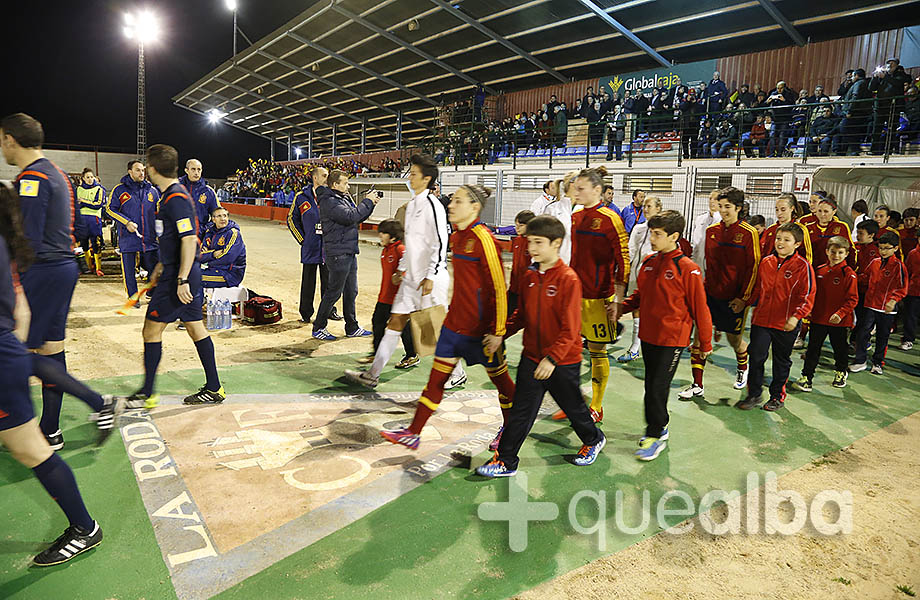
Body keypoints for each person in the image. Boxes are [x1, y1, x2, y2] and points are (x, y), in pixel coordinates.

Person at [0, 187, 105, 566]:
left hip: (3, 357)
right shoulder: (9, 247)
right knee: (46, 357)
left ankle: (84, 527)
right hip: (7, 352)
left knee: (31, 449)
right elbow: (22, 311)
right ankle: (96, 405)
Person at [0, 113, 118, 450]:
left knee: (14, 350)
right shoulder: (59, 174)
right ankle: (51, 428)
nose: (1, 148)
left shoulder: (32, 178)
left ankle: (96, 403)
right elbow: (77, 224)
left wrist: (11, 280)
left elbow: (29, 240)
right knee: (50, 350)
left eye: (1, 140)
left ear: (11, 139)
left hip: (42, 270)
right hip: (62, 268)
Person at [379, 185, 515, 451]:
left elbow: (499, 288)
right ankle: (413, 432)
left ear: (474, 207)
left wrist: (498, 331)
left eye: (458, 201)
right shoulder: (457, 238)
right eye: (451, 200)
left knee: (503, 384)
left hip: (483, 331)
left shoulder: (485, 239)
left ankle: (511, 429)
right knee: (436, 380)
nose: (451, 205)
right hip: (455, 325)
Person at [475, 215, 606, 477]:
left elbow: (571, 329)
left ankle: (593, 439)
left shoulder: (568, 279)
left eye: (538, 243)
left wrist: (552, 359)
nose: (532, 248)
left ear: (556, 243)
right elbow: (522, 315)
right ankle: (506, 461)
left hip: (562, 362)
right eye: (529, 242)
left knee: (574, 409)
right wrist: (501, 334)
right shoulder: (530, 276)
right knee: (521, 411)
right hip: (532, 357)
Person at [344, 154, 465, 389]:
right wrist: (401, 269)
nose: (409, 177)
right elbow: (412, 244)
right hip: (410, 280)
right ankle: (373, 374)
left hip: (430, 279)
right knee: (395, 322)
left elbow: (441, 242)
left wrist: (430, 275)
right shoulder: (412, 206)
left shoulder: (433, 206)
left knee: (434, 331)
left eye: (413, 174)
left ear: (426, 179)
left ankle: (457, 372)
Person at [122, 144, 225, 408]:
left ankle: (148, 393)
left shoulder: (175, 198)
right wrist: (161, 265)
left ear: (153, 169)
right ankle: (214, 388)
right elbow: (175, 239)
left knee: (151, 330)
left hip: (179, 279)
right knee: (194, 327)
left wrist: (180, 279)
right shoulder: (170, 195)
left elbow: (190, 240)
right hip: (178, 273)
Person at [618, 210, 712, 460]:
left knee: (657, 387)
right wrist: (619, 308)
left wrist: (704, 342)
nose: (652, 238)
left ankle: (656, 434)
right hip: (649, 336)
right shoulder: (649, 263)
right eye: (651, 233)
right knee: (651, 385)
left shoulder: (687, 269)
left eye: (658, 234)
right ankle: (661, 425)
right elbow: (640, 296)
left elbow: (700, 308)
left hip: (673, 339)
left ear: (674, 236)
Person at [553, 166, 629, 423]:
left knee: (597, 351)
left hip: (600, 297)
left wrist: (618, 299)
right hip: (574, 295)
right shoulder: (575, 216)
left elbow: (623, 259)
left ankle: (596, 406)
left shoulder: (610, 218)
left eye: (581, 188)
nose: (577, 191)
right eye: (576, 187)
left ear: (597, 190)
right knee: (568, 352)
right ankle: (574, 402)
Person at [680, 187, 760, 399]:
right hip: (710, 295)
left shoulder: (749, 233)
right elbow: (708, 264)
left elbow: (753, 268)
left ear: (738, 208)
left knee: (734, 341)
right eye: (721, 206)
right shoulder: (711, 231)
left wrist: (744, 299)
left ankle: (743, 368)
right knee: (698, 339)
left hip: (734, 300)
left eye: (728, 207)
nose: (723, 210)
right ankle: (697, 384)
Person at [738, 223, 815, 411]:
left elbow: (807, 296)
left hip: (785, 324)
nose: (780, 243)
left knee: (781, 360)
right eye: (779, 238)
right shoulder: (766, 262)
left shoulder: (803, 267)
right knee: (756, 356)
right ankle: (754, 394)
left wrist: (796, 317)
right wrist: (744, 301)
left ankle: (777, 396)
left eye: (786, 240)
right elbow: (757, 289)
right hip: (762, 320)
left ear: (797, 244)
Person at [311, 169, 378, 340]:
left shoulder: (341, 198)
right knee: (334, 292)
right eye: (345, 183)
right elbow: (350, 216)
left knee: (351, 290)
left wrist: (371, 204)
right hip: (338, 253)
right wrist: (367, 202)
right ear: (335, 185)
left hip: (348, 251)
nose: (348, 186)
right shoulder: (329, 201)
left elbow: (357, 217)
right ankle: (319, 327)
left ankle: (352, 326)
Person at [792, 236, 858, 392]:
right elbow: (812, 293)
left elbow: (853, 299)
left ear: (846, 254)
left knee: (840, 349)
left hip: (839, 322)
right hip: (819, 319)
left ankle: (841, 372)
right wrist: (809, 312)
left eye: (840, 252)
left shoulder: (849, 274)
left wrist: (840, 314)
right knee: (813, 350)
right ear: (827, 251)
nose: (836, 256)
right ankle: (807, 377)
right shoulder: (819, 270)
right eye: (833, 252)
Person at [287, 167, 342, 323]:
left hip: (329, 247)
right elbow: (291, 219)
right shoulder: (301, 197)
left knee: (330, 282)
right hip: (310, 247)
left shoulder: (333, 195)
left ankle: (330, 310)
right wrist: (303, 240)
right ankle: (306, 313)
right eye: (324, 175)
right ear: (315, 178)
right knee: (308, 282)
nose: (327, 178)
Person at [361, 219, 418, 369]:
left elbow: (409, 269)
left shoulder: (400, 249)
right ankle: (377, 353)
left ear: (392, 236)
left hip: (399, 299)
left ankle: (412, 355)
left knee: (404, 328)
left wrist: (401, 276)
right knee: (377, 322)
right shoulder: (385, 250)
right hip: (384, 297)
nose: (380, 235)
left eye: (383, 233)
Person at [850, 232, 907, 374]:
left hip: (886, 308)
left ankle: (878, 362)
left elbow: (902, 287)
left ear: (895, 248)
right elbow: (864, 278)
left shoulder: (898, 266)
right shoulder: (875, 262)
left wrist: (893, 301)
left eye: (887, 248)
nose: (883, 251)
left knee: (883, 335)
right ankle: (860, 360)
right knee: (863, 333)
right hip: (870, 305)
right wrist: (851, 278)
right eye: (881, 248)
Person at [106, 159, 160, 300]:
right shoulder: (119, 190)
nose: (142, 173)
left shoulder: (153, 191)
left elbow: (159, 213)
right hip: (128, 237)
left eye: (143, 170)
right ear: (130, 172)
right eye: (138, 170)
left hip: (149, 237)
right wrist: (126, 222)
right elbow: (110, 210)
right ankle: (133, 297)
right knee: (129, 271)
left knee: (154, 268)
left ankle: (151, 292)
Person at [619, 194, 662, 362]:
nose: (645, 209)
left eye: (649, 206)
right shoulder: (638, 228)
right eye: (644, 206)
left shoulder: (663, 230)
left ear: (658, 208)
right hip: (637, 279)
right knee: (637, 310)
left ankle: (656, 348)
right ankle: (635, 348)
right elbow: (630, 252)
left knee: (653, 315)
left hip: (655, 281)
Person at [199, 207, 246, 288]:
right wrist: (213, 254)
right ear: (213, 219)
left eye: (225, 216)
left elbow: (228, 257)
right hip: (213, 269)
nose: (223, 219)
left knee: (193, 278)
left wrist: (207, 261)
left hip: (229, 274)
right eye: (219, 216)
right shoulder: (209, 233)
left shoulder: (233, 233)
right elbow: (200, 255)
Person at [759, 193, 812, 263]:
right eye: (777, 210)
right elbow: (764, 253)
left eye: (783, 210)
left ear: (792, 209)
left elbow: (807, 256)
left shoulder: (801, 229)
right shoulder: (770, 229)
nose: (779, 213)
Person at [178, 158, 220, 237]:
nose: (196, 173)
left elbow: (217, 215)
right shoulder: (176, 188)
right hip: (176, 236)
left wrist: (205, 229)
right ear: (186, 170)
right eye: (193, 169)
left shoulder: (208, 192)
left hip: (199, 236)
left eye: (199, 170)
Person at [508, 210, 535, 315]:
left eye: (521, 225)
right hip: (514, 287)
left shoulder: (533, 242)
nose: (517, 228)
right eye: (516, 225)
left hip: (527, 290)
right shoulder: (517, 241)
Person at [690, 189, 720, 277]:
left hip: (715, 265)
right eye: (710, 198)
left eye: (715, 199)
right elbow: (695, 243)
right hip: (698, 262)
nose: (712, 201)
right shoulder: (700, 219)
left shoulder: (723, 221)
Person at [901, 242, 920, 351]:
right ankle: (908, 339)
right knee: (910, 317)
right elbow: (907, 272)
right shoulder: (913, 254)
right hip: (913, 291)